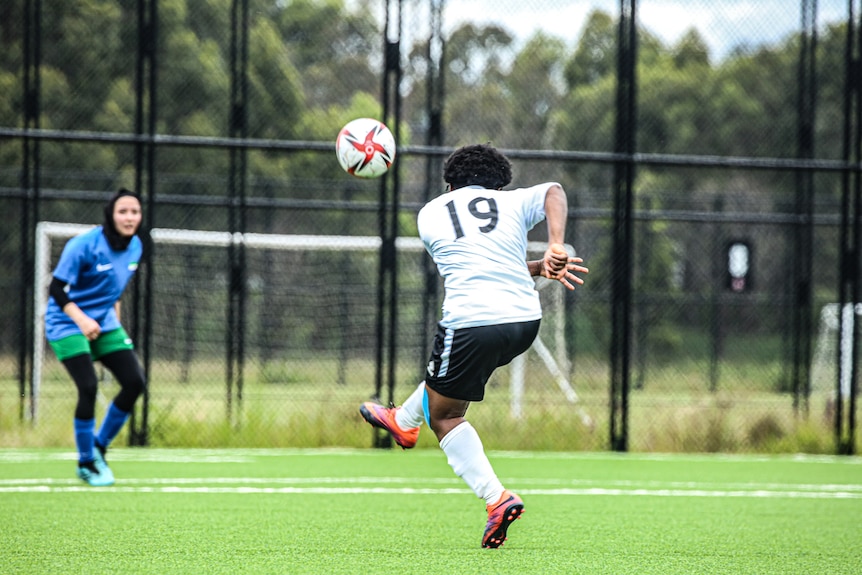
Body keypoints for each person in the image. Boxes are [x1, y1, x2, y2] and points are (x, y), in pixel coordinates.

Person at [360, 143, 588, 548]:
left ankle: (495, 498)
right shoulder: (514, 203)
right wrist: (554, 245)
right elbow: (554, 190)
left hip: (472, 323)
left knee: (445, 415)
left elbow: (472, 262)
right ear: (501, 185)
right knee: (444, 388)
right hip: (523, 322)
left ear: (450, 184)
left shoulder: (430, 213)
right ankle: (403, 422)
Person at [45, 188, 148, 487]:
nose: (129, 217)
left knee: (135, 382)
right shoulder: (84, 245)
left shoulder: (136, 247)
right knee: (88, 386)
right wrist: (82, 319)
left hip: (103, 323)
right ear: (111, 214)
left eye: (135, 212)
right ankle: (86, 462)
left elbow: (114, 289)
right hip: (66, 322)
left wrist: (110, 320)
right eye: (123, 211)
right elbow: (57, 288)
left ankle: (99, 447)